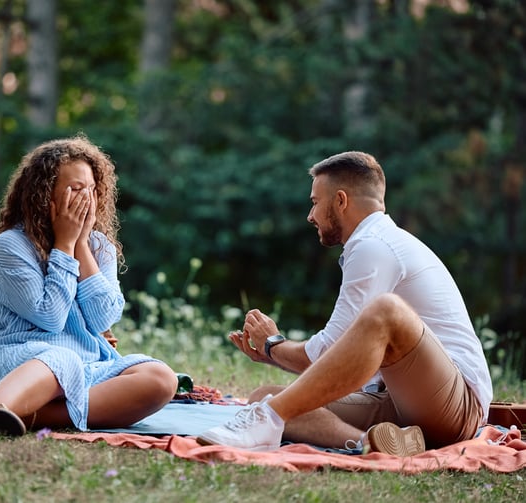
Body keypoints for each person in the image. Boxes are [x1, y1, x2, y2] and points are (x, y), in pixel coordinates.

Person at [198, 151, 492, 455]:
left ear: (340, 200)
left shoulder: (374, 245)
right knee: (264, 395)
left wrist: (274, 344)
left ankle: (267, 420)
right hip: (402, 405)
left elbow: (326, 351)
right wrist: (272, 355)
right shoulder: (374, 243)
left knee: (386, 312)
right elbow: (341, 366)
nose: (310, 216)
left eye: (314, 202)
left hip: (454, 408)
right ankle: (374, 444)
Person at [0, 135, 177, 435]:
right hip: (25, 362)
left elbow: (103, 319)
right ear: (44, 195)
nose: (86, 199)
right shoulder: (11, 245)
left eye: (91, 190)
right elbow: (50, 318)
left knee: (161, 378)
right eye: (75, 189)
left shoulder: (100, 247)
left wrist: (81, 245)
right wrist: (65, 245)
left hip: (87, 366)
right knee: (61, 357)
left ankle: (21, 416)